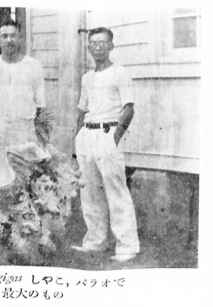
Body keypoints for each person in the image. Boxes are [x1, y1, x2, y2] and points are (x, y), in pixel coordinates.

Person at [72, 27, 140, 262]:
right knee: (89, 192)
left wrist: (115, 137)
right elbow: (82, 109)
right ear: (89, 47)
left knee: (116, 191)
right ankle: (96, 241)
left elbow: (128, 108)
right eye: (93, 43)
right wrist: (77, 137)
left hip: (108, 134)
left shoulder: (120, 73)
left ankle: (127, 245)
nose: (98, 47)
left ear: (111, 46)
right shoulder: (87, 78)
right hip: (87, 137)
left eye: (103, 42)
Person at [0, 19, 46, 150]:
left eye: (13, 36)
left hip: (24, 132)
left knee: (24, 168)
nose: (9, 40)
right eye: (4, 36)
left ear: (19, 38)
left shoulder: (34, 66)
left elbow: (39, 105)